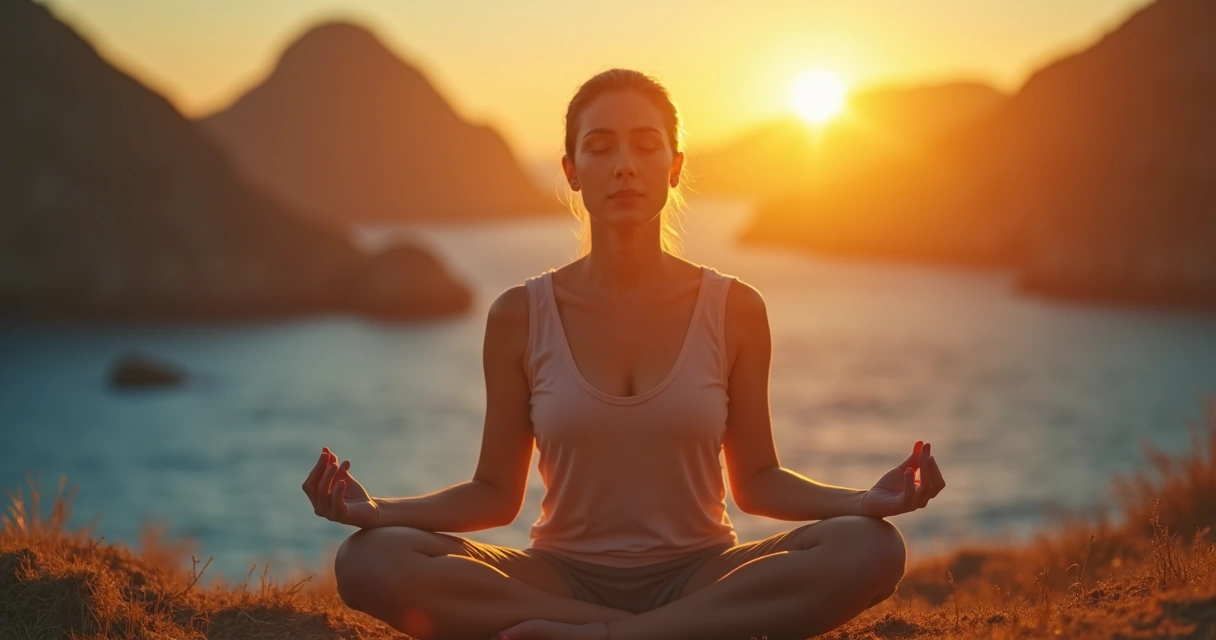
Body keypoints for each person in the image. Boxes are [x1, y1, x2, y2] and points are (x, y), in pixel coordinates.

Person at [302, 68, 945, 640]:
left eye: (645, 144)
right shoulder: (519, 316)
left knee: (869, 548)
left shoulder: (735, 308)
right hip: (559, 578)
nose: (624, 165)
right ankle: (670, 634)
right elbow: (495, 494)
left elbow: (757, 483)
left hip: (703, 572)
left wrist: (866, 500)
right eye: (600, 146)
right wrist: (377, 511)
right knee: (367, 560)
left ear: (675, 166)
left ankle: (608, 636)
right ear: (572, 172)